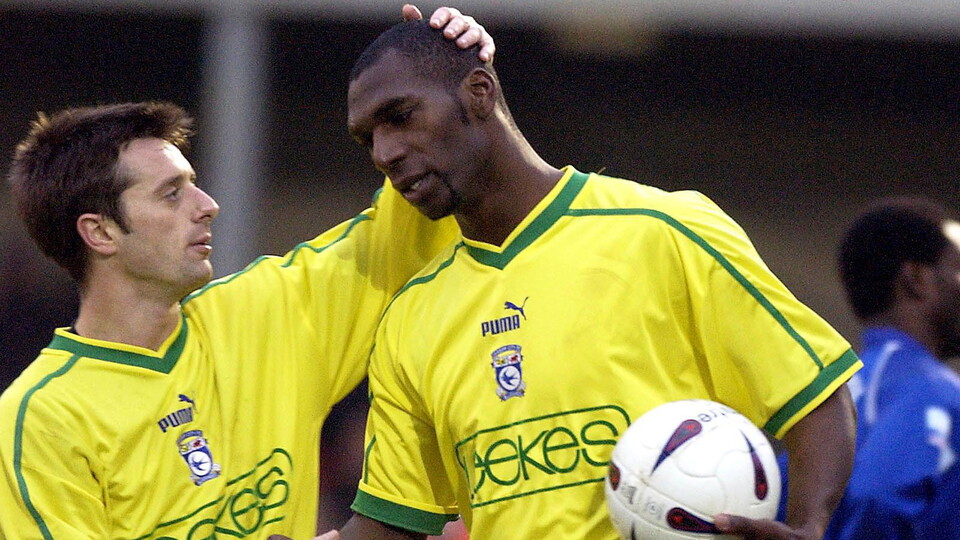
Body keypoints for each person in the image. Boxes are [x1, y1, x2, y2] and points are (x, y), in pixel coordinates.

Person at [333, 20, 861, 540]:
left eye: (399, 117)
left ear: (478, 91)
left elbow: (816, 397)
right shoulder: (411, 317)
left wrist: (809, 527)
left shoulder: (664, 230)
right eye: (368, 139)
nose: (385, 153)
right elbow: (390, 522)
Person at [0, 7, 493, 539]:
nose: (207, 204)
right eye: (171, 194)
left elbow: (404, 232)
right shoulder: (43, 417)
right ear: (100, 233)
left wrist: (445, 84)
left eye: (194, 183)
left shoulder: (265, 314)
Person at [824, 197, 960, 539]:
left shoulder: (821, 402)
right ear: (916, 278)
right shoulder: (932, 390)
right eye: (958, 268)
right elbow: (879, 497)